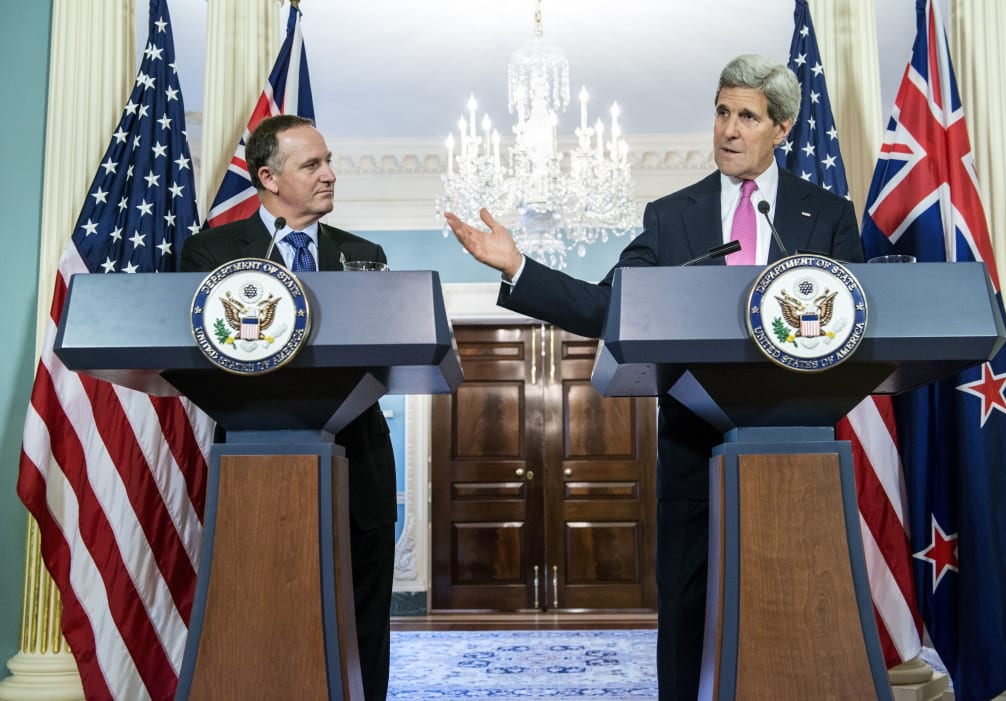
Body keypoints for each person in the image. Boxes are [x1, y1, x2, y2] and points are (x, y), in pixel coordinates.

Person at [444, 54, 864, 700]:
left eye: (747, 116)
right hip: (694, 451)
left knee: (795, 611)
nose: (728, 128)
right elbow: (607, 304)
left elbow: (853, 327)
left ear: (782, 128)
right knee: (687, 628)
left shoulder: (826, 216)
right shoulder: (673, 216)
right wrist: (517, 265)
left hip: (795, 450)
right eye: (722, 112)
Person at [180, 114, 396, 701]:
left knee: (363, 627)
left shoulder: (364, 255)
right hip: (258, 468)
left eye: (328, 162)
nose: (329, 175)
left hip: (359, 465)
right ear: (269, 178)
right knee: (259, 619)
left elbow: (387, 353)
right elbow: (207, 354)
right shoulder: (211, 253)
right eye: (313, 165)